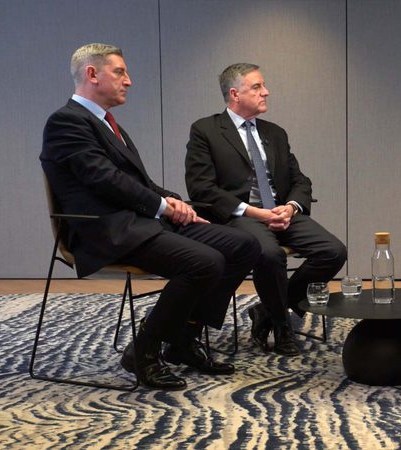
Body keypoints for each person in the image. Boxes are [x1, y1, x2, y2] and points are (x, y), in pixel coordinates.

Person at [41, 44, 262, 390]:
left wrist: (174, 202)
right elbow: (105, 180)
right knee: (205, 263)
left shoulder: (109, 125)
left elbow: (137, 183)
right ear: (91, 74)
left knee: (244, 246)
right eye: (120, 72)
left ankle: (183, 340)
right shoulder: (66, 121)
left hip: (143, 223)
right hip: (108, 230)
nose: (128, 81)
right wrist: (163, 207)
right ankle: (142, 351)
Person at [185, 63, 347, 356]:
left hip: (282, 213)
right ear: (235, 94)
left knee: (334, 251)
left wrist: (291, 206)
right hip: (241, 217)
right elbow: (201, 188)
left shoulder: (275, 133)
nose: (266, 92)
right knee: (269, 254)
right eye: (257, 87)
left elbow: (299, 179)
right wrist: (252, 212)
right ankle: (283, 325)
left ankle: (269, 311)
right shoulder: (206, 130)